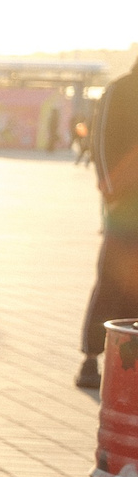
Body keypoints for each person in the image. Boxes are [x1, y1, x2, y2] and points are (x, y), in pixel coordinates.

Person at [83, 68, 138, 388]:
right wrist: (112, 193)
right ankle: (91, 357)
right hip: (126, 205)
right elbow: (100, 140)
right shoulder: (120, 90)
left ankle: (128, 366)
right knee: (112, 280)